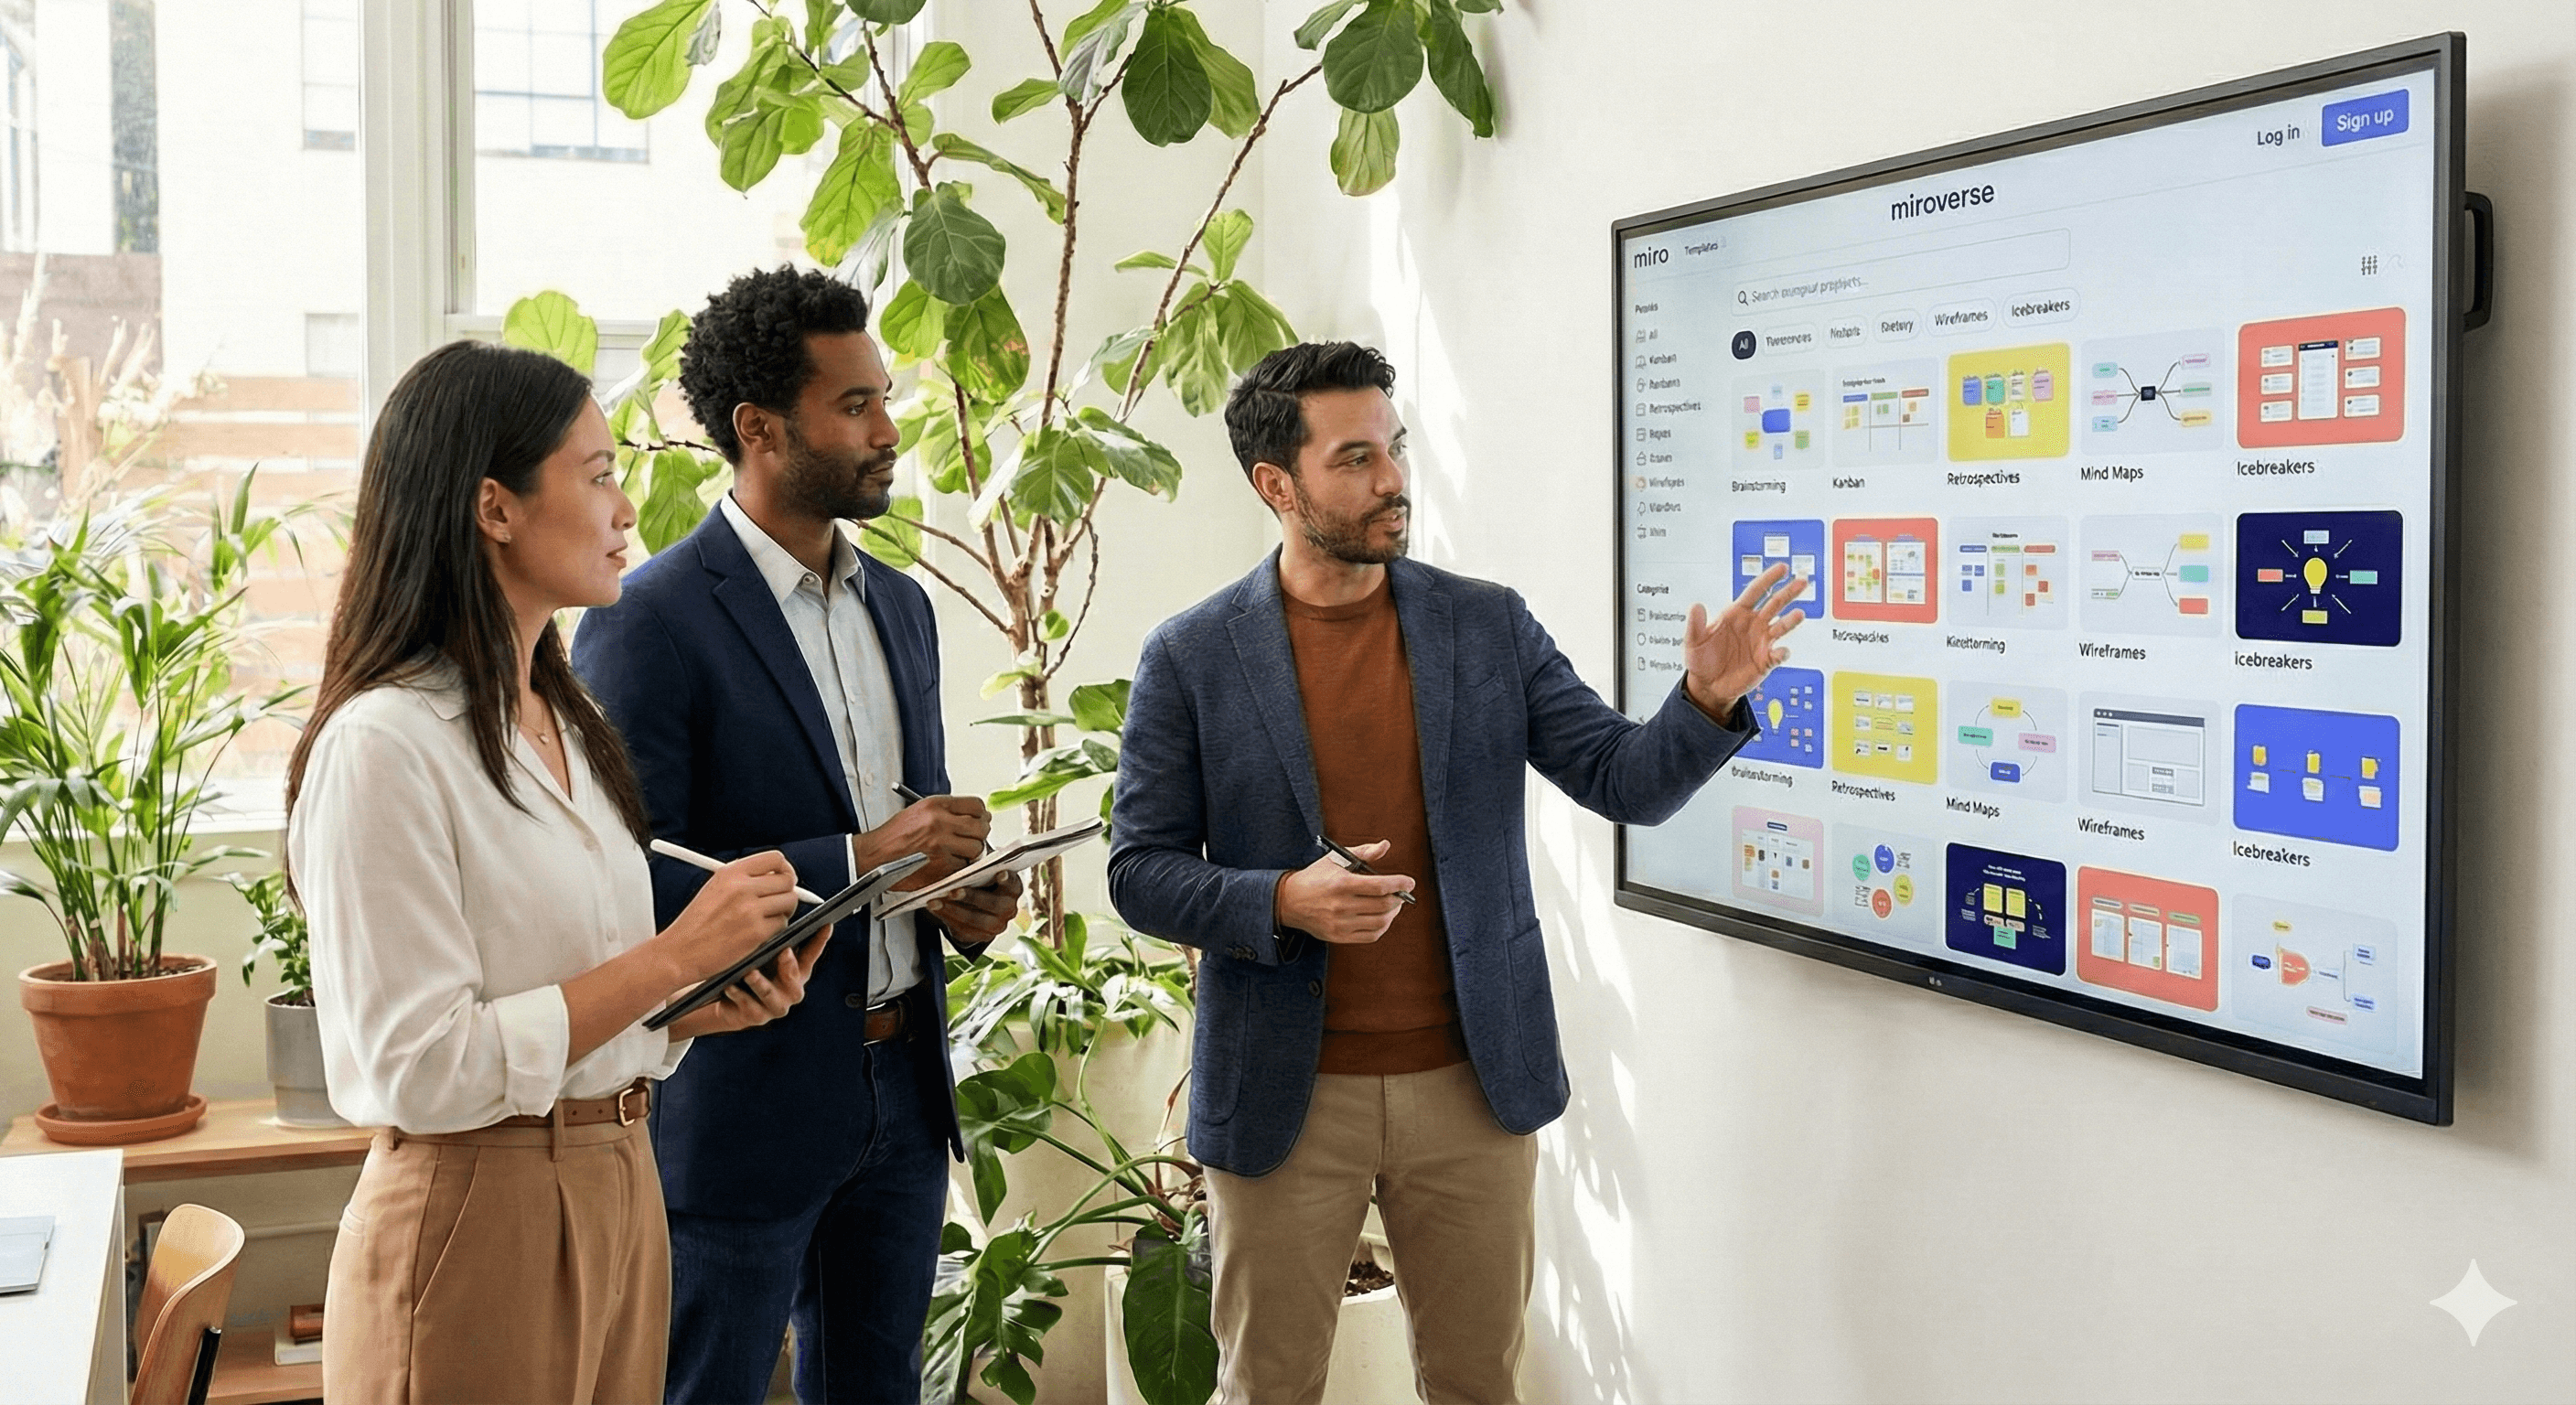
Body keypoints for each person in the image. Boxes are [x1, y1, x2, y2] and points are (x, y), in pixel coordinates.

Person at [1106, 342, 1808, 1403]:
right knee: (1266, 1390)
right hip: (1283, 1097)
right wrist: (1281, 899)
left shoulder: (1485, 624)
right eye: (1355, 459)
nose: (1391, 479)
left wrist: (1703, 705)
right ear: (1275, 486)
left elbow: (1624, 781)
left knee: (1477, 1386)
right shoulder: (1191, 655)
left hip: (1472, 1086)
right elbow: (1138, 871)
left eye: (1393, 448)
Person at [291, 340, 825, 1403]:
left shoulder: (562, 724)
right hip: (474, 1209)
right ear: (495, 507)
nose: (627, 508)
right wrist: (672, 958)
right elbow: (419, 1068)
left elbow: (556, 996)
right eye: (597, 475)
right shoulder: (385, 745)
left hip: (620, 1176)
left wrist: (679, 1011)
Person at [570, 266, 1023, 1404]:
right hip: (741, 1106)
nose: (890, 430)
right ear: (758, 430)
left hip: (904, 1092)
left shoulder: (903, 608)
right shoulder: (650, 623)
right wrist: (862, 858)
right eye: (856, 406)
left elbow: (913, 836)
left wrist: (961, 900)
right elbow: (631, 881)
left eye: (883, 398)